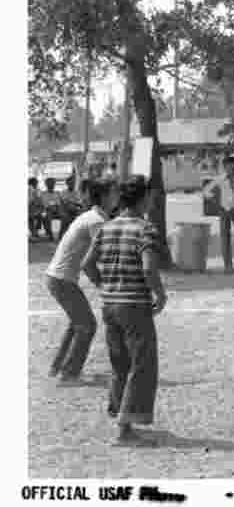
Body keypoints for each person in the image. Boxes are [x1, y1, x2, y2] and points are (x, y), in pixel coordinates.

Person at [81, 175, 166, 446]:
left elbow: (87, 265)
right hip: (135, 306)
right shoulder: (145, 229)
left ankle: (119, 414)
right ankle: (126, 429)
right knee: (142, 363)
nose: (153, 201)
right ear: (142, 198)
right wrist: (160, 293)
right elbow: (149, 267)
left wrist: (104, 285)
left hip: (110, 305)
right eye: (151, 196)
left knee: (120, 364)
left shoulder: (107, 228)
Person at [45, 179, 113, 382]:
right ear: (104, 196)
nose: (118, 196)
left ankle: (59, 367)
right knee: (87, 325)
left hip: (58, 277)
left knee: (77, 324)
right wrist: (104, 284)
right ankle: (69, 373)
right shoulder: (96, 221)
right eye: (114, 192)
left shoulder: (91, 216)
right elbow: (97, 257)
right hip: (61, 279)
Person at [58, 175, 85, 239]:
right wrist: (75, 203)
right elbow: (65, 202)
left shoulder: (77, 192)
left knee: (79, 211)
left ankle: (79, 235)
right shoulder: (63, 192)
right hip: (65, 210)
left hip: (75, 210)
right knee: (70, 207)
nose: (71, 184)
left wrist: (74, 203)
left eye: (73, 183)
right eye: (70, 183)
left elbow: (80, 202)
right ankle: (61, 235)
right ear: (67, 183)